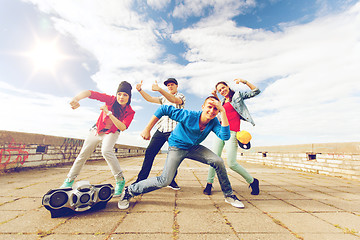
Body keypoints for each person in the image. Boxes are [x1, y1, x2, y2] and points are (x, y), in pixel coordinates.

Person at [118, 96, 245, 210]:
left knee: (218, 161)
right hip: (177, 146)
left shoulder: (214, 122)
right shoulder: (189, 115)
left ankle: (229, 195)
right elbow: (163, 109)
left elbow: (225, 136)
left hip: (193, 147)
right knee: (165, 180)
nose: (212, 111)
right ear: (203, 107)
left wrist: (223, 112)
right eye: (209, 107)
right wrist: (147, 129)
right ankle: (130, 191)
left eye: (216, 109)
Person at [60, 81, 135, 197]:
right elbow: (90, 93)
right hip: (97, 130)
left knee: (106, 151)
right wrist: (76, 98)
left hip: (112, 132)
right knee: (83, 154)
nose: (121, 97)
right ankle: (69, 180)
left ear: (129, 97)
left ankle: (120, 180)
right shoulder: (110, 99)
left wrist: (109, 113)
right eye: (119, 94)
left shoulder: (130, 112)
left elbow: (123, 127)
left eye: (125, 95)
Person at [203, 78, 261, 196]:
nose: (222, 90)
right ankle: (209, 184)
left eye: (223, 87)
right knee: (213, 159)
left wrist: (245, 82)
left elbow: (256, 91)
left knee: (232, 163)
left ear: (228, 87)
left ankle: (253, 181)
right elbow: (223, 110)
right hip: (220, 131)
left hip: (233, 132)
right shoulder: (223, 102)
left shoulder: (237, 96)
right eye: (220, 90)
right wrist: (216, 97)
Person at [134, 78, 185, 190]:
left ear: (176, 86)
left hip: (174, 130)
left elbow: (175, 100)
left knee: (173, 157)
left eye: (172, 85)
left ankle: (171, 180)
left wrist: (160, 89)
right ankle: (140, 180)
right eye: (168, 85)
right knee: (149, 153)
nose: (170, 87)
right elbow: (150, 99)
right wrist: (140, 90)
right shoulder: (163, 98)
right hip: (161, 129)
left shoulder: (180, 96)